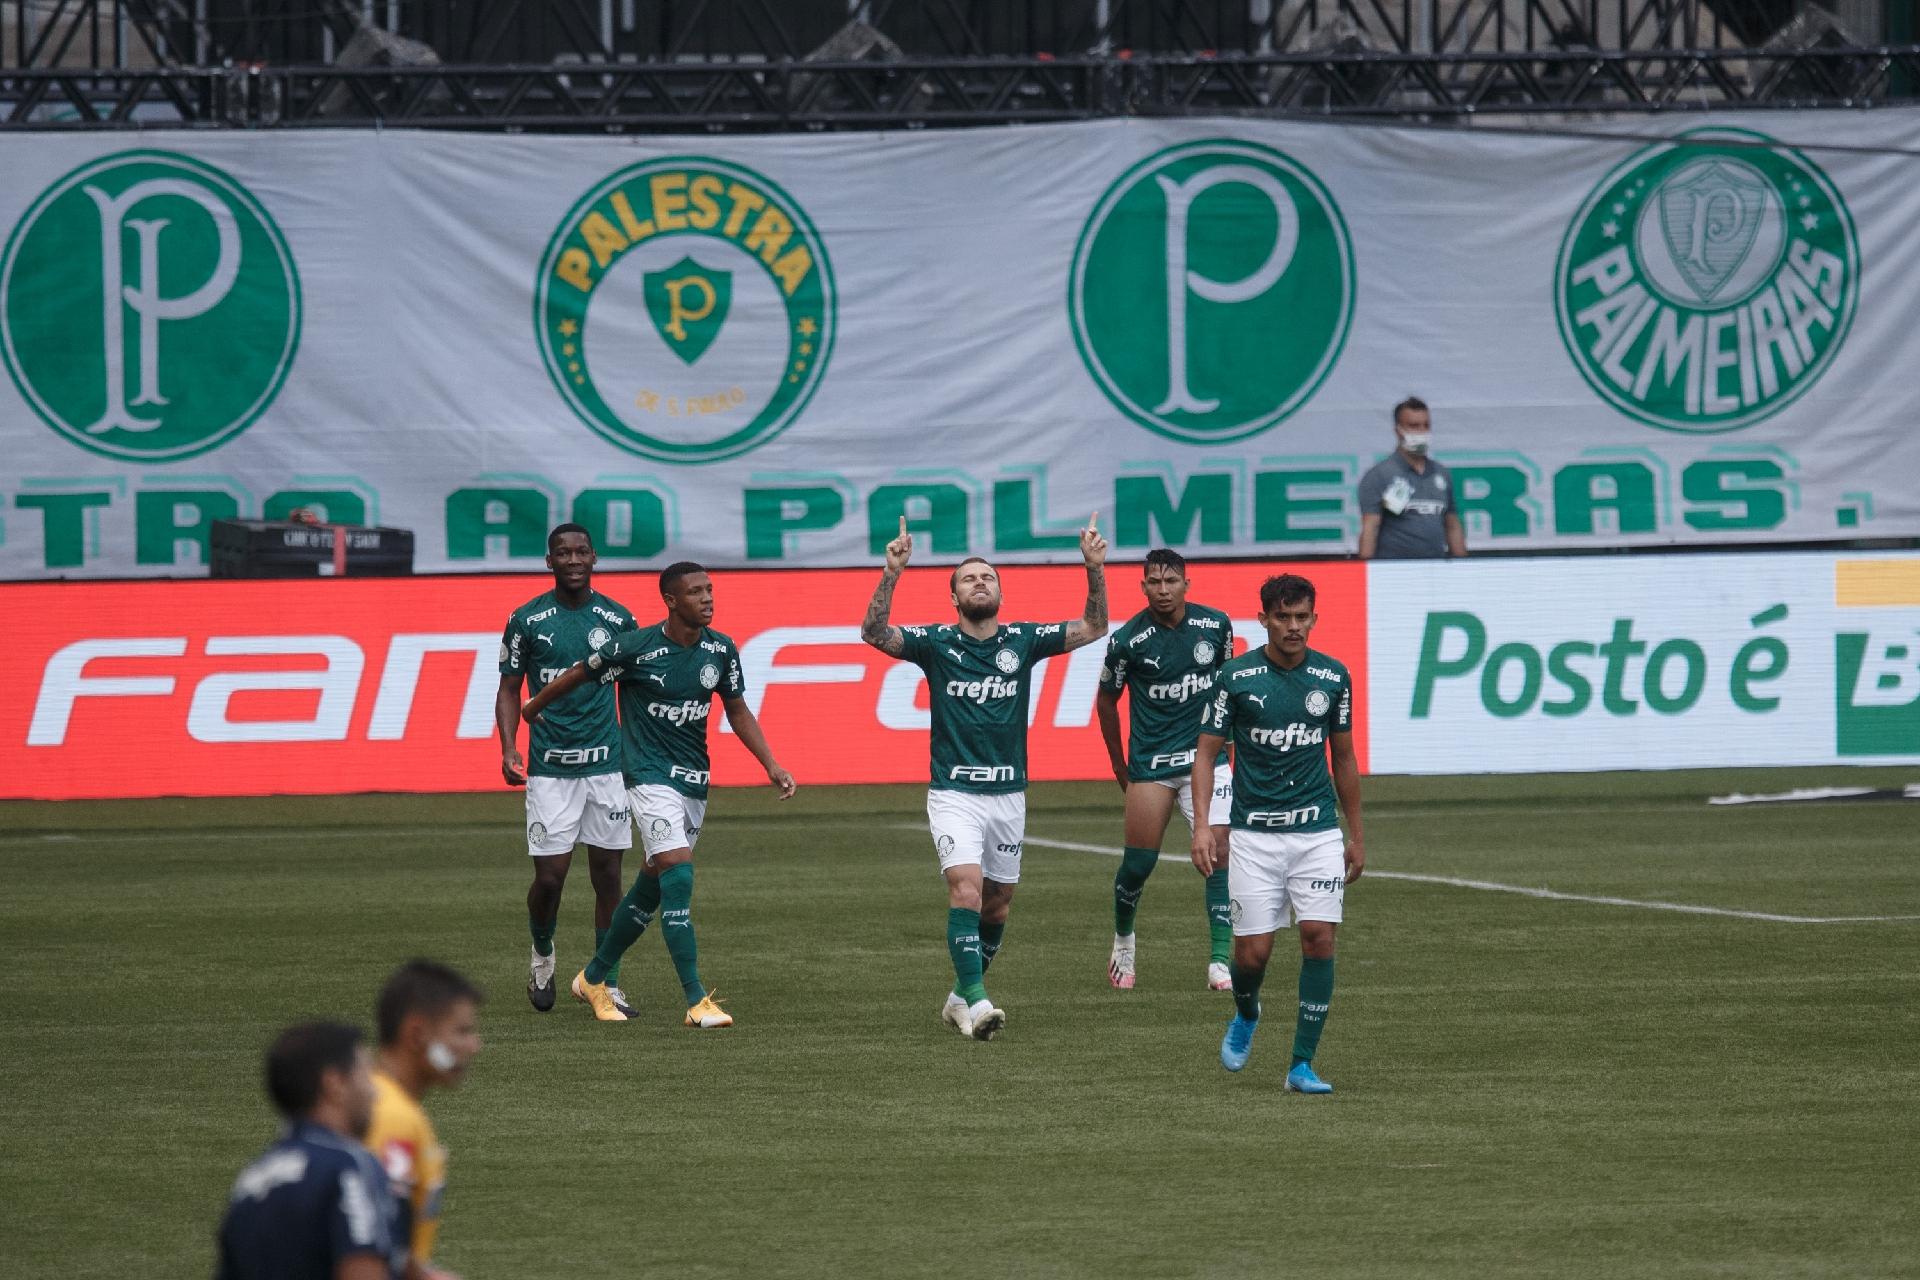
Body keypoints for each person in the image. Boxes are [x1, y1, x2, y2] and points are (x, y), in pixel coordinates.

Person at [861, 514, 1109, 1040]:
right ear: (953, 598)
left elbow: (1093, 628)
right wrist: (891, 571)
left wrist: (1094, 569)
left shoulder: (1023, 640)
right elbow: (874, 632)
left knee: (997, 904)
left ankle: (956, 998)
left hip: (1009, 794)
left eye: (988, 577)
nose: (980, 582)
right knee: (966, 889)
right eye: (969, 578)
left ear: (1001, 590)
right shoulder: (934, 644)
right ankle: (977, 1001)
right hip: (954, 793)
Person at [524, 561, 797, 1027]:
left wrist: (770, 763)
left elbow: (737, 710)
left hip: (693, 779)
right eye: (696, 592)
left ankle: (593, 977)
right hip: (646, 777)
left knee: (652, 883)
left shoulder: (721, 650)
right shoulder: (634, 647)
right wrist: (533, 707)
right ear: (671, 600)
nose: (707, 598)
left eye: (710, 590)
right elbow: (578, 672)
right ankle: (696, 1001)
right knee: (678, 871)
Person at [1192, 573, 1364, 1092]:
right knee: (1252, 956)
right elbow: (1205, 755)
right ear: (1263, 618)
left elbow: (1345, 757)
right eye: (1283, 617)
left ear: (1314, 617)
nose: (1294, 627)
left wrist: (1355, 832)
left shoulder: (1333, 677)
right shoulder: (1236, 678)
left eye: (1302, 617)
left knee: (1319, 939)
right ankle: (1247, 1013)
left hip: (1316, 833)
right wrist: (1203, 825)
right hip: (1254, 837)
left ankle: (1301, 1065)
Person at [496, 523, 638, 1015]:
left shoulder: (618, 618)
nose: (573, 559)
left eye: (581, 551)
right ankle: (542, 955)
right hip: (550, 770)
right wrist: (509, 747)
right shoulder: (527, 620)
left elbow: (637, 690)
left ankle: (605, 981)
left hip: (606, 769)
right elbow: (511, 688)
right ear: (549, 560)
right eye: (563, 552)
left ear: (594, 558)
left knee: (609, 876)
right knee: (551, 879)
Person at [1093, 548, 1234, 992]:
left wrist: (1235, 750)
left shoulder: (1216, 626)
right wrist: (1119, 764)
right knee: (1138, 865)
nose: (1163, 590)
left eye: (1171, 581)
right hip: (1151, 762)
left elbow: (1233, 691)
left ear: (1186, 584)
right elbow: (1106, 702)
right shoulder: (1126, 641)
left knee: (1219, 853)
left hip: (1206, 759)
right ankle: (1123, 939)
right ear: (1143, 587)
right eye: (1154, 582)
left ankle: (1219, 960)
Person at [215, 1022, 401, 1280]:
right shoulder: (347, 1167)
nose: (375, 1091)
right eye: (366, 1074)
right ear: (334, 1084)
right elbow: (362, 1269)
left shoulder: (249, 1185)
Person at [364, 962, 483, 1280]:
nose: (474, 1045)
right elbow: (367, 1252)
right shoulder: (392, 1119)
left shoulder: (387, 1103)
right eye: (462, 1031)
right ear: (416, 1034)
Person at [1356, 396, 1467, 560]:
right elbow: (1370, 527)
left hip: (1435, 570)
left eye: (1426, 426)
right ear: (1398, 430)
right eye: (1414, 426)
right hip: (1394, 568)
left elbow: (1452, 525)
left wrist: (1462, 565)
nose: (1421, 432)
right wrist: (1365, 569)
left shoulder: (1441, 473)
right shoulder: (1379, 475)